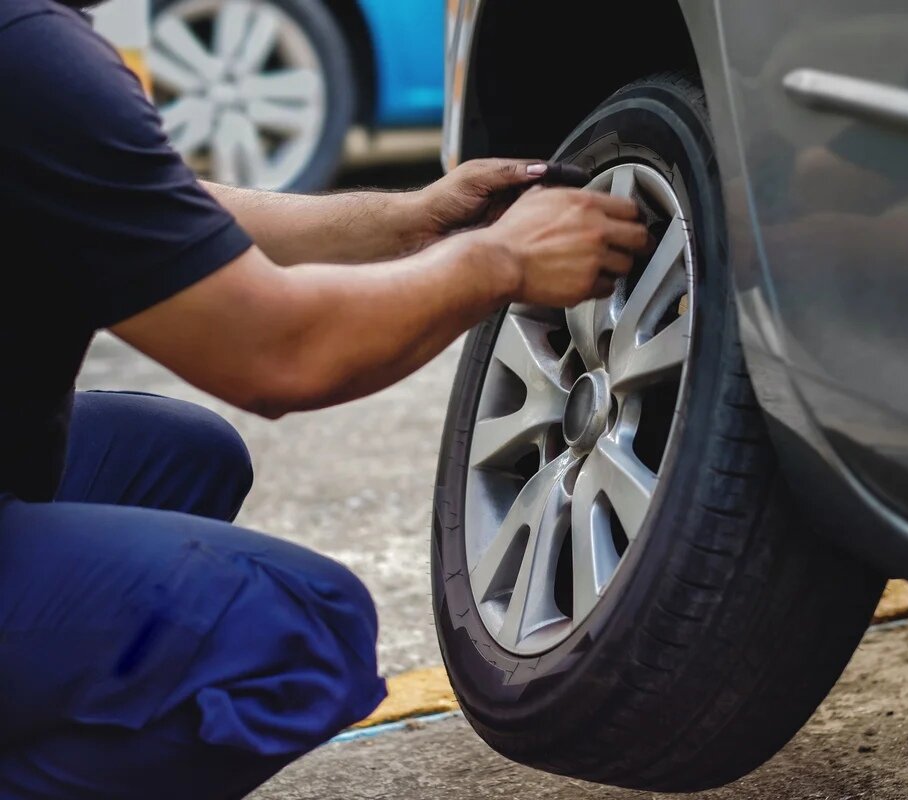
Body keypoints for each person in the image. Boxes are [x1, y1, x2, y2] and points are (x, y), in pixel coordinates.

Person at [0, 0, 648, 796]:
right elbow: (281, 356)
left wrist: (410, 225)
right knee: (297, 637)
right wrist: (498, 262)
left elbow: (139, 200)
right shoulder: (24, 51)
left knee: (179, 458)